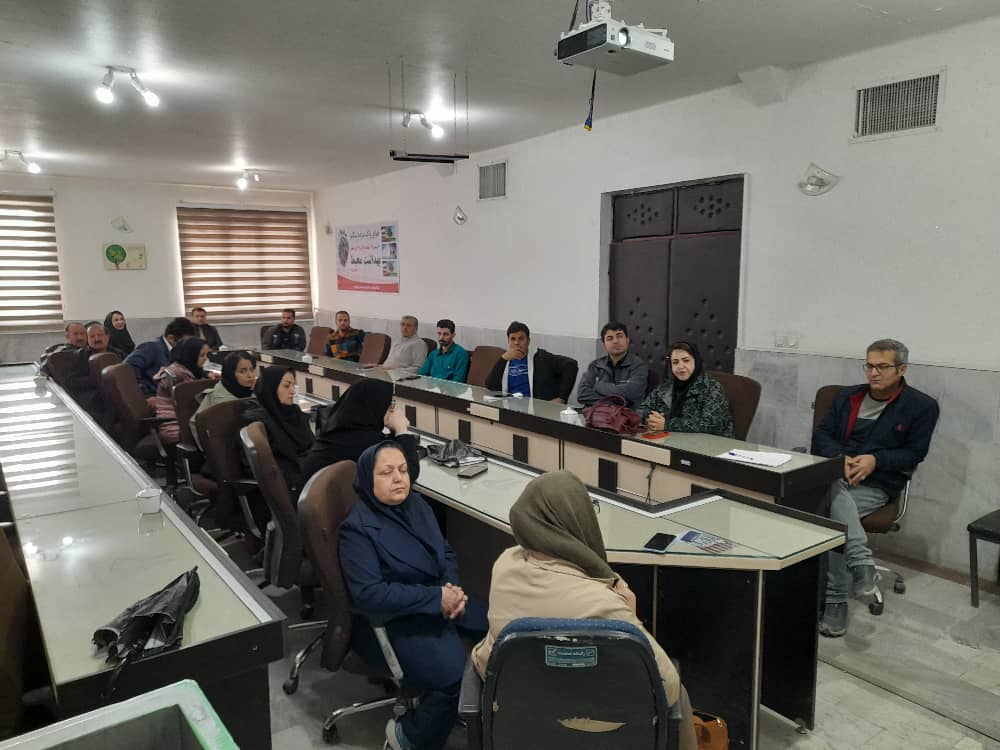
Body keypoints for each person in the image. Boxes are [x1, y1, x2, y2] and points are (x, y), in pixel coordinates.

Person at [471, 471, 696, 750]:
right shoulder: (602, 604)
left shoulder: (505, 566)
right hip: (596, 730)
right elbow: (666, 688)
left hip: (521, 726)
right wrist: (631, 613)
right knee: (680, 695)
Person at [340, 442, 487, 750]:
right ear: (367, 479)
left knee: (499, 626)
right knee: (453, 677)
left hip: (438, 599)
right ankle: (410, 736)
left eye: (403, 470)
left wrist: (451, 590)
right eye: (387, 472)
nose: (398, 478)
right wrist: (436, 599)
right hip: (397, 619)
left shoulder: (417, 505)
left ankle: (479, 710)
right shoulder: (356, 530)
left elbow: (445, 552)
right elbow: (370, 594)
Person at [812, 339, 939, 638]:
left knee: (831, 517)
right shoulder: (847, 397)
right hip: (835, 475)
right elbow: (822, 436)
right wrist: (839, 458)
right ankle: (861, 562)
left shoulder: (922, 406)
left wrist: (875, 460)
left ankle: (836, 601)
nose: (873, 373)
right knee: (828, 494)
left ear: (902, 369)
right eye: (869, 366)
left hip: (877, 482)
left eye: (882, 366)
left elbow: (914, 454)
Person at [301, 379, 420, 482]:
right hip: (332, 500)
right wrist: (401, 430)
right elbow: (408, 473)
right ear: (375, 405)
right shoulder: (366, 442)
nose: (392, 410)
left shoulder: (341, 428)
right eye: (389, 404)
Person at [242, 366, 314, 498]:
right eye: (286, 386)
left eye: (293, 385)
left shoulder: (294, 413)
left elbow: (310, 446)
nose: (292, 391)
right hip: (291, 486)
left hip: (306, 473)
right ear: (271, 388)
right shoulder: (259, 422)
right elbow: (281, 465)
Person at [637, 341, 735, 437]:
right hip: (672, 439)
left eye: (686, 360)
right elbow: (642, 410)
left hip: (711, 443)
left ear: (696, 361)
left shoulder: (712, 387)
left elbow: (711, 424)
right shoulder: (666, 387)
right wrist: (651, 420)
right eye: (675, 362)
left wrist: (667, 424)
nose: (680, 366)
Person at [484, 321, 578, 403]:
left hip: (534, 408)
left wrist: (562, 398)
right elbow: (490, 386)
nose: (517, 343)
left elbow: (571, 365)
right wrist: (503, 359)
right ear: (508, 341)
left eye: (521, 338)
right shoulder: (505, 360)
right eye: (513, 339)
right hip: (509, 405)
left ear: (528, 341)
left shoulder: (541, 357)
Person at [577, 321, 649, 409]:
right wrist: (617, 401)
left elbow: (632, 393)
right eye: (610, 338)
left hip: (626, 415)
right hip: (597, 414)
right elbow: (582, 395)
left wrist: (598, 386)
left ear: (627, 340)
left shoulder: (638, 366)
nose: (615, 341)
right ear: (604, 344)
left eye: (620, 336)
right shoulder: (595, 365)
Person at [125, 317, 197, 404]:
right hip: (156, 399)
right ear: (171, 338)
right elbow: (128, 369)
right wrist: (146, 395)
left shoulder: (176, 351)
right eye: (185, 342)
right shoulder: (151, 347)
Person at [153, 337, 211, 446]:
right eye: (202, 355)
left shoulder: (181, 368)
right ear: (191, 355)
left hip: (182, 421)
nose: (205, 359)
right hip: (174, 427)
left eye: (206, 355)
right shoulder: (178, 375)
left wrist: (206, 375)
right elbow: (195, 399)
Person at [64, 321, 117, 424]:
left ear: (107, 337)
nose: (97, 339)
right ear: (88, 339)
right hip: (94, 398)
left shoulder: (118, 354)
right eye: (92, 336)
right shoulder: (80, 356)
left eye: (100, 335)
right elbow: (71, 381)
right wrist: (98, 380)